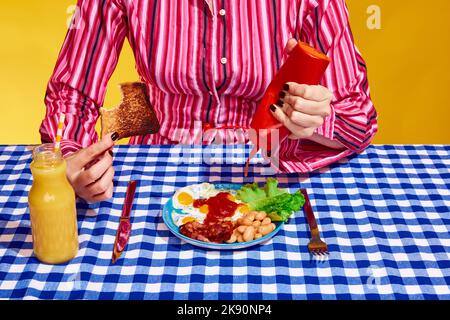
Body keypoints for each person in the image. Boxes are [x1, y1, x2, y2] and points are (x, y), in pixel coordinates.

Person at [40, 0, 377, 203]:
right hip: (157, 172)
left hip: (272, 171)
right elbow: (72, 94)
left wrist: (315, 120)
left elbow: (358, 117)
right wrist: (67, 160)